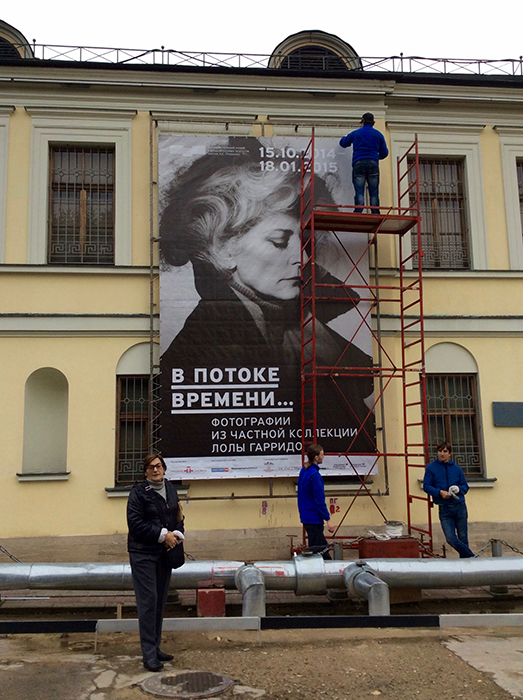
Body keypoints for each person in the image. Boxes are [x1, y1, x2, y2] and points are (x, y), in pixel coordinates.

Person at [159, 139, 376, 459]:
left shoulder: (306, 330)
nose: (302, 259)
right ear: (223, 248)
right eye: (279, 241)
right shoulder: (197, 355)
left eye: (304, 243)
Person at [127, 453, 185, 671]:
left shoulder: (170, 489)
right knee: (148, 602)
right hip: (143, 554)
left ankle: (156, 647)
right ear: (145, 471)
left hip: (164, 553)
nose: (155, 470)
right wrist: (162, 535)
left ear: (164, 468)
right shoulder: (138, 493)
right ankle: (148, 654)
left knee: (160, 601)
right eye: (150, 467)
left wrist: (177, 534)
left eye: (158, 466)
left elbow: (177, 516)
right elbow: (135, 524)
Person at [423, 441, 474, 558]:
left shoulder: (456, 469)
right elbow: (426, 486)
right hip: (444, 509)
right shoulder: (431, 468)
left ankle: (466, 563)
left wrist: (458, 489)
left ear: (450, 454)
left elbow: (465, 486)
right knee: (450, 538)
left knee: (463, 537)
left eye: (445, 451)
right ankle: (472, 557)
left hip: (460, 506)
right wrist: (439, 492)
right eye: (440, 451)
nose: (442, 454)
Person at [339, 112, 389, 214]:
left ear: (363, 122)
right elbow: (385, 153)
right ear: (373, 123)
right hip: (373, 163)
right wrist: (375, 157)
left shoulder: (356, 133)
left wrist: (344, 137)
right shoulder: (378, 135)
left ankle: (359, 210)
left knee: (359, 190)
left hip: (359, 163)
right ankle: (375, 211)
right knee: (374, 191)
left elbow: (343, 143)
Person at [297, 444, 336, 560]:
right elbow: (319, 500)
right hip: (314, 518)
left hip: (306, 516)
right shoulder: (315, 476)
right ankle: (330, 569)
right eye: (322, 454)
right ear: (316, 457)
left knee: (315, 550)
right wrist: (328, 520)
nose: (323, 456)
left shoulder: (304, 471)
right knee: (322, 551)